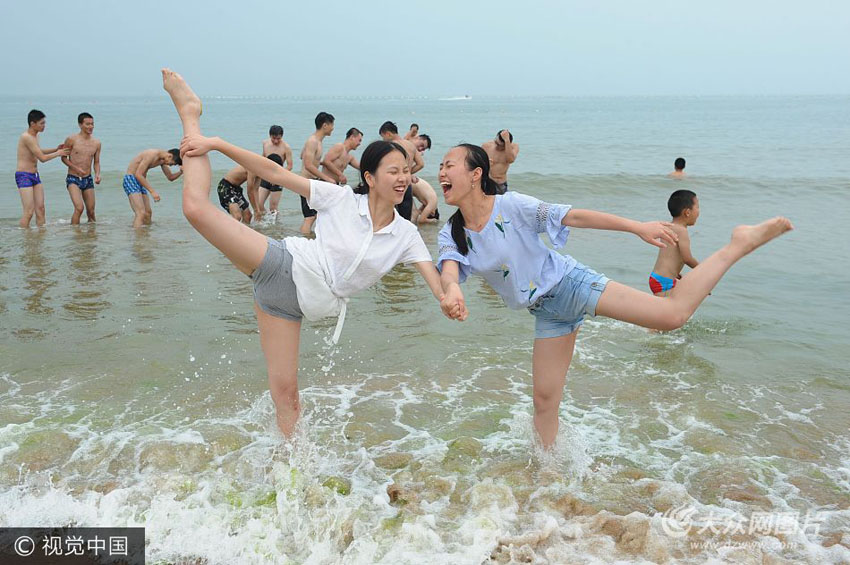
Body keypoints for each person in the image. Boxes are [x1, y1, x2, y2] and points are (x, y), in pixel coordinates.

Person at [161, 69, 463, 438]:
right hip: (282, 265)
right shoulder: (340, 199)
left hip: (289, 306)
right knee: (194, 208)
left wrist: (449, 300)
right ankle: (190, 114)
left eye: (407, 173)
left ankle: (290, 467)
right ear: (369, 178)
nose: (403, 179)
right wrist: (219, 145)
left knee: (286, 395)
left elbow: (437, 284)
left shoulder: (406, 236)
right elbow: (275, 172)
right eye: (393, 171)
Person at [436, 144, 793, 448]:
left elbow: (573, 216)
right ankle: (548, 473)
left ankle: (739, 243)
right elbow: (450, 271)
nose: (441, 172)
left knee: (671, 317)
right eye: (440, 167)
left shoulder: (511, 206)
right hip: (546, 312)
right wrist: (452, 293)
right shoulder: (452, 232)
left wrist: (636, 227)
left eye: (449, 164)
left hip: (571, 284)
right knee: (545, 400)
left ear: (476, 174)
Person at [15, 109, 70, 228]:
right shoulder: (26, 137)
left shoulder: (35, 136)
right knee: (29, 212)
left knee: (41, 209)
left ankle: (40, 236)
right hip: (24, 175)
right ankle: (24, 237)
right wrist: (59, 153)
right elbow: (42, 158)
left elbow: (38, 151)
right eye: (41, 123)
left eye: (44, 123)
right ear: (32, 124)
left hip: (35, 175)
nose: (44, 126)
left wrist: (55, 149)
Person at [650, 190, 700, 296]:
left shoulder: (669, 227)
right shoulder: (682, 231)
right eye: (697, 207)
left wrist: (675, 272)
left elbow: (669, 255)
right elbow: (687, 258)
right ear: (687, 212)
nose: (699, 211)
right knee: (668, 311)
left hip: (660, 278)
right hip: (664, 282)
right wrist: (704, 270)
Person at [298, 112, 337, 234]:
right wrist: (327, 178)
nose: (333, 128)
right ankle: (305, 240)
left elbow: (302, 156)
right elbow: (308, 165)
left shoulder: (317, 141)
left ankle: (311, 238)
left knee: (316, 215)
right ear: (325, 125)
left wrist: (318, 162)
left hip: (311, 183)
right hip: (306, 183)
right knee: (310, 217)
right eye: (332, 124)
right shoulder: (313, 141)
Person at [122, 148, 182, 228]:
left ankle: (146, 236)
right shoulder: (152, 154)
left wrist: (181, 172)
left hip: (141, 181)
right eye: (172, 164)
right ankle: (138, 238)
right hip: (131, 179)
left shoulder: (162, 160)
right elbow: (138, 174)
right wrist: (152, 192)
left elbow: (170, 177)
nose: (170, 165)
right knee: (140, 213)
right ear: (170, 156)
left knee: (148, 213)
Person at [62, 112, 102, 224]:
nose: (91, 127)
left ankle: (91, 236)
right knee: (79, 208)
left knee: (91, 211)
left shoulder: (97, 143)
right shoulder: (71, 139)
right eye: (88, 124)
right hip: (73, 178)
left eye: (92, 124)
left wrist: (98, 174)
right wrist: (76, 168)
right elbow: (63, 158)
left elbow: (97, 162)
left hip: (87, 179)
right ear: (80, 125)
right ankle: (76, 235)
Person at [379, 121, 423, 221]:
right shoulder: (410, 145)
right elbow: (421, 164)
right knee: (406, 216)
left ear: (388, 134)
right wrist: (408, 173)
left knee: (390, 215)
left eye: (383, 136)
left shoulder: (391, 146)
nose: (383, 139)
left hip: (394, 184)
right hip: (407, 184)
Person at [255, 125, 294, 218]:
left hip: (278, 178)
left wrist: (277, 177)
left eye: (278, 138)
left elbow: (290, 166)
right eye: (274, 138)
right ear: (270, 135)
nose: (276, 141)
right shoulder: (265, 143)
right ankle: (266, 222)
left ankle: (275, 227)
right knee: (259, 204)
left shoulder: (286, 147)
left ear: (282, 137)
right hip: (266, 177)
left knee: (273, 208)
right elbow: (263, 159)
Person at [482, 129, 519, 194]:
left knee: (500, 203)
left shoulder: (513, 147)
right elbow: (477, 163)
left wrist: (507, 141)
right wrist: (486, 163)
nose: (498, 147)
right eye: (497, 144)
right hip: (488, 182)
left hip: (500, 183)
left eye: (501, 146)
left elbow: (510, 160)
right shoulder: (486, 146)